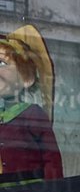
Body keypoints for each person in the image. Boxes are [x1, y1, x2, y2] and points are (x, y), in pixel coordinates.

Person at [0, 25, 62, 181]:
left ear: (27, 78)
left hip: (30, 191)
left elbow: (51, 159)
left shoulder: (32, 114)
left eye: (2, 64)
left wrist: (54, 190)